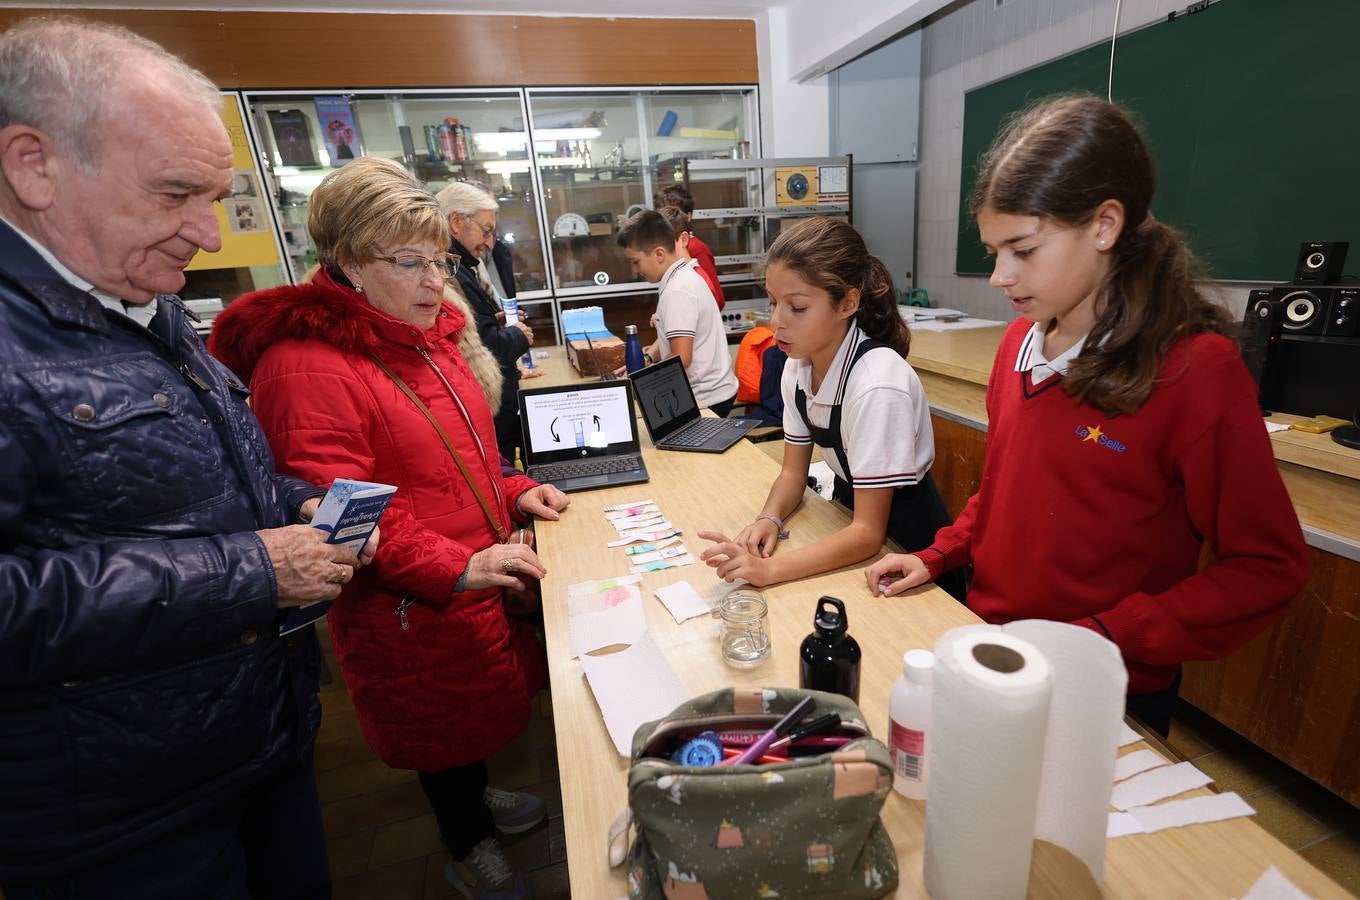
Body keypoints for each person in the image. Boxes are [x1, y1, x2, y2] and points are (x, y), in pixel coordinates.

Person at [0, 17, 368, 899]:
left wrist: (296, 506)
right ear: (33, 164)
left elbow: (202, 480)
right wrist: (248, 570)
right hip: (115, 820)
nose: (208, 237)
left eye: (214, 196)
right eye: (174, 195)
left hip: (250, 749)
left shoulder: (140, 302)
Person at [866, 95, 1311, 736]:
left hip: (1105, 688)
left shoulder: (1194, 371)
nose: (999, 275)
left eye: (1022, 249)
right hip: (991, 648)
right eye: (993, 251)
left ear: (1104, 226)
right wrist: (939, 554)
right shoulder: (1018, 348)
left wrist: (1107, 634)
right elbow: (1008, 493)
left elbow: (1269, 566)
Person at [209, 156, 569, 900]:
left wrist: (516, 488)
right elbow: (343, 513)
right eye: (410, 262)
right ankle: (466, 842)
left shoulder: (426, 337)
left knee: (466, 722)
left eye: (439, 260)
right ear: (346, 263)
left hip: (469, 567)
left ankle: (472, 797)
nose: (435, 280)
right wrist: (455, 568)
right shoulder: (305, 365)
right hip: (406, 597)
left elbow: (461, 457)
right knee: (438, 726)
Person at [698, 218, 959, 597]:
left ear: (848, 303)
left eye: (797, 307)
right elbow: (792, 474)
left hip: (908, 551)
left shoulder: (876, 385)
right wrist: (768, 518)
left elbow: (869, 535)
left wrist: (768, 571)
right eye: (773, 302)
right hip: (849, 520)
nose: (776, 322)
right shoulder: (797, 367)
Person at [437, 180, 532, 461]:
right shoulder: (451, 271)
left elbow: (474, 329)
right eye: (486, 231)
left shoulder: (461, 266)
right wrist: (518, 335)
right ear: (456, 222)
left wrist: (494, 321)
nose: (490, 242)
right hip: (486, 410)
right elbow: (485, 345)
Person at [617, 209, 738, 416]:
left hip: (706, 398)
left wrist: (643, 382)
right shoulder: (682, 277)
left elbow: (681, 357)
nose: (636, 270)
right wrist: (649, 359)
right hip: (714, 391)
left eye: (636, 262)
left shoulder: (678, 290)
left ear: (659, 254)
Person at [656, 182, 725, 309]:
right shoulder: (669, 249)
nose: (666, 221)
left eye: (673, 213)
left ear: (688, 217)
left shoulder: (697, 248)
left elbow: (717, 299)